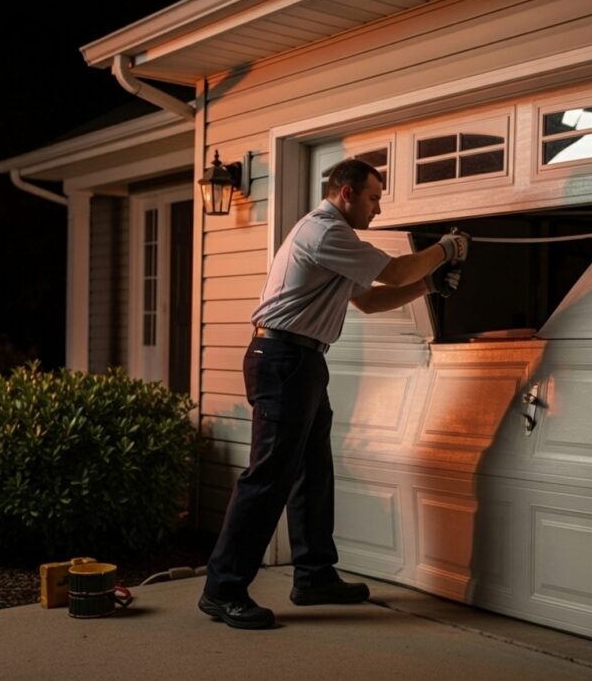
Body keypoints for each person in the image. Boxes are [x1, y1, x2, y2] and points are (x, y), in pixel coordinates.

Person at [198, 158, 468, 629]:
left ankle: (314, 574)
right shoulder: (325, 231)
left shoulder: (336, 243)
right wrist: (448, 249)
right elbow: (396, 271)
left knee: (312, 470)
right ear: (346, 193)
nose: (377, 209)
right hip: (283, 359)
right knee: (269, 477)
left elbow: (369, 299)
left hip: (301, 360)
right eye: (373, 198)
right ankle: (223, 589)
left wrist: (428, 283)